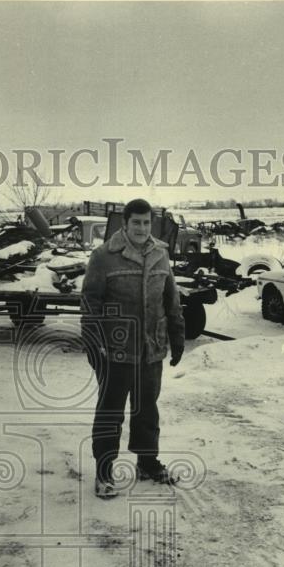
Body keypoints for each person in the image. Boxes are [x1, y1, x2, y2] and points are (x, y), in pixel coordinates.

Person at [80, 198, 186, 499]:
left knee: (147, 409)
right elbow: (90, 303)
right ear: (125, 224)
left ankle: (147, 462)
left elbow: (171, 298)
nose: (142, 228)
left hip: (150, 347)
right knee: (110, 412)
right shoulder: (104, 257)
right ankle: (104, 471)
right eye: (136, 222)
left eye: (146, 222)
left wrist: (177, 336)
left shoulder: (160, 254)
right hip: (116, 350)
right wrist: (93, 343)